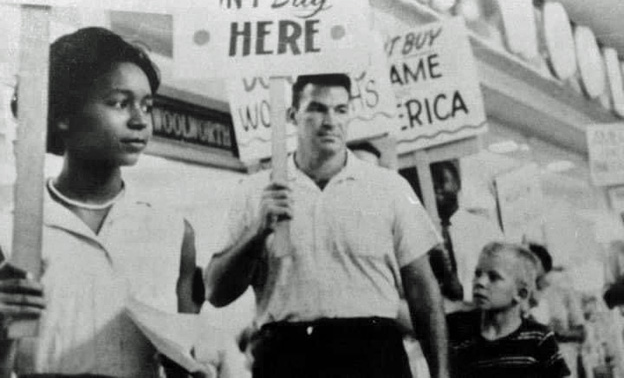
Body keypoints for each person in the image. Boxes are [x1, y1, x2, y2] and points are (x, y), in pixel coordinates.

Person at [205, 74, 449, 378]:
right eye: (317, 109)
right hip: (287, 356)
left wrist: (441, 373)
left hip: (373, 355)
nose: (330, 120)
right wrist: (257, 231)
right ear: (293, 115)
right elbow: (215, 292)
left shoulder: (389, 188)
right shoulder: (255, 191)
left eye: (341, 110)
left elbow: (422, 290)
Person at [0, 27, 202, 377]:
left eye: (147, 106)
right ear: (63, 114)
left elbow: (187, 360)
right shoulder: (12, 230)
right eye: (119, 103)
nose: (140, 120)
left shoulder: (172, 231)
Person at [447, 241, 570, 378]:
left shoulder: (538, 338)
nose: (480, 282)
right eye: (478, 273)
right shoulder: (459, 333)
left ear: (520, 294)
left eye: (493, 277)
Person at [429, 160, 504, 311]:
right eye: (431, 184)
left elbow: (500, 273)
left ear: (457, 184)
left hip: (477, 311)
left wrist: (467, 296)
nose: (437, 188)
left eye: (442, 181)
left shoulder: (484, 228)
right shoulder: (424, 231)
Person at [528, 244, 586, 378]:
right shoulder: (522, 297)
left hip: (564, 363)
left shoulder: (562, 290)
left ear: (543, 263)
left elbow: (581, 333)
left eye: (532, 260)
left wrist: (559, 332)